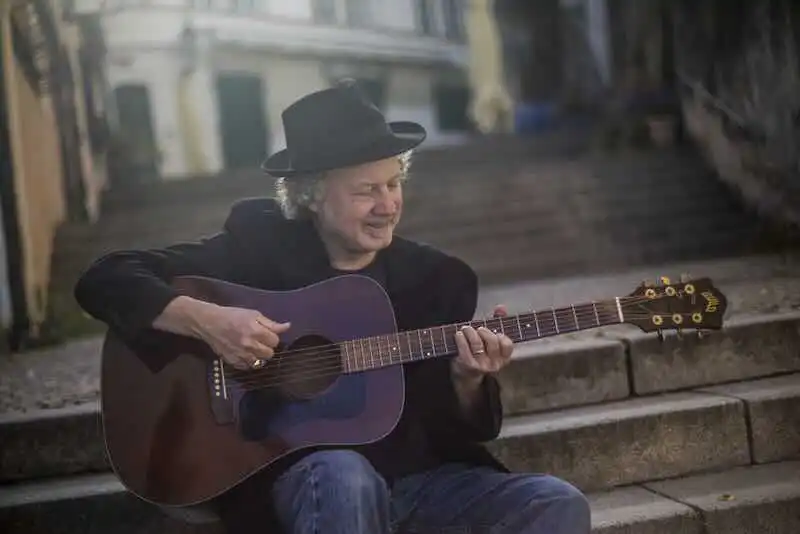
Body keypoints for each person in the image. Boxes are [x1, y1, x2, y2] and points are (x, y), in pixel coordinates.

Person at [74, 80, 591, 534]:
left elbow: (456, 428)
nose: (388, 204)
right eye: (367, 190)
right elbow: (105, 277)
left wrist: (467, 380)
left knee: (556, 503)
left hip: (418, 483)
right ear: (312, 195)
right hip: (308, 484)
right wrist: (210, 320)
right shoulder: (257, 246)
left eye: (393, 184)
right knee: (345, 476)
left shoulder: (437, 280)